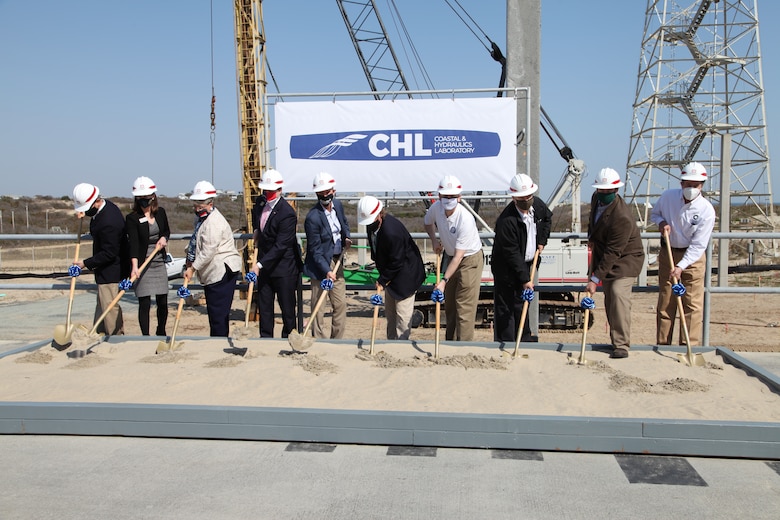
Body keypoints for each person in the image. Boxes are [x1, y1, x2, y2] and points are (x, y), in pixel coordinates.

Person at [650, 161, 716, 346]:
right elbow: (654, 215)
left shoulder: (706, 210)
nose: (691, 188)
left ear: (701, 186)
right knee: (666, 301)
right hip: (669, 253)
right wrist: (661, 223)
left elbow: (698, 245)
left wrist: (681, 266)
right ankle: (663, 343)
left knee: (691, 304)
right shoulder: (668, 197)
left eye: (695, 185)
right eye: (688, 184)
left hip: (692, 259)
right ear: (681, 184)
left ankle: (689, 345)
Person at [585, 168, 645, 358]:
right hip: (604, 253)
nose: (603, 194)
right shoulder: (596, 198)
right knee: (609, 298)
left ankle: (621, 344)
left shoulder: (622, 217)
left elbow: (613, 252)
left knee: (618, 294)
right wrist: (591, 236)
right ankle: (614, 339)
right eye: (601, 191)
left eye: (607, 192)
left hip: (626, 258)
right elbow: (592, 220)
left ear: (616, 191)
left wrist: (594, 279)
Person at [491, 173, 553, 343]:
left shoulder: (537, 205)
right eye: (522, 197)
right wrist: (525, 279)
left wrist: (542, 240)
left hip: (528, 263)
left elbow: (547, 219)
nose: (527, 199)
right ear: (514, 198)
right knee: (506, 308)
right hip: (506, 268)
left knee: (523, 304)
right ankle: (506, 341)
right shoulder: (506, 221)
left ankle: (524, 339)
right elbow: (512, 253)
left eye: (529, 196)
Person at [424, 175, 484, 341]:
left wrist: (443, 281)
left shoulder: (465, 219)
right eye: (445, 196)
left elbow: (459, 257)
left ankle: (463, 348)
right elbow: (427, 222)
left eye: (452, 196)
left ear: (459, 197)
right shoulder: (436, 209)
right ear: (439, 197)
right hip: (450, 256)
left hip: (469, 260)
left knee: (464, 307)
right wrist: (435, 240)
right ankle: (450, 343)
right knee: (450, 305)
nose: (448, 199)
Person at [358, 195, 425, 340]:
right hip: (390, 274)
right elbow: (377, 251)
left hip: (405, 276)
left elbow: (397, 261)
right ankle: (391, 344)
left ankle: (401, 347)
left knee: (402, 316)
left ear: (379, 214)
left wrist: (383, 279)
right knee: (390, 314)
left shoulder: (391, 232)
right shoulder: (372, 226)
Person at [249, 169, 303, 338]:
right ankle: (266, 338)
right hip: (265, 266)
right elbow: (256, 216)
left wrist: (259, 264)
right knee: (264, 306)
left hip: (284, 268)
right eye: (265, 190)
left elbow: (281, 245)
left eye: (271, 190)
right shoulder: (260, 203)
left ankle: (289, 338)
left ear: (279, 190)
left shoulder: (287, 214)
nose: (267, 193)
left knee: (287, 308)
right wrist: (257, 229)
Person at [184, 180, 242, 337]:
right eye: (196, 205)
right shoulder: (200, 219)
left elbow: (208, 251)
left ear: (210, 203)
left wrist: (193, 268)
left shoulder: (214, 222)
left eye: (201, 205)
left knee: (218, 313)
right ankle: (216, 338)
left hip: (221, 271)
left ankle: (219, 341)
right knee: (213, 311)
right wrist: (189, 261)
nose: (197, 209)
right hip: (211, 271)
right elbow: (197, 244)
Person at [71, 182, 128, 336]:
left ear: (96, 202)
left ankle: (116, 337)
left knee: (109, 306)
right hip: (103, 269)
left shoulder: (109, 221)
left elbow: (109, 253)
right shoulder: (104, 209)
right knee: (102, 304)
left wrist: (85, 263)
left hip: (111, 269)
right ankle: (99, 333)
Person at [303, 172, 352, 339]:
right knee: (318, 306)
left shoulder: (338, 205)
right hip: (320, 266)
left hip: (337, 260)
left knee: (340, 304)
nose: (325, 195)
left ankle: (337, 340)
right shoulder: (313, 218)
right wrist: (326, 270)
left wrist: (347, 237)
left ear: (333, 190)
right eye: (321, 192)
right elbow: (314, 249)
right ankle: (318, 339)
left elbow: (344, 223)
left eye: (327, 191)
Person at [125, 176, 171, 336]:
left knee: (162, 301)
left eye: (147, 198)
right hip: (143, 262)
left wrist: (164, 238)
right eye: (141, 198)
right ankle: (145, 335)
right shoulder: (132, 218)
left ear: (153, 197)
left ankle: (161, 330)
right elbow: (134, 244)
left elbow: (166, 231)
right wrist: (135, 267)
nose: (144, 201)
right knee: (144, 302)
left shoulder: (160, 213)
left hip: (158, 261)